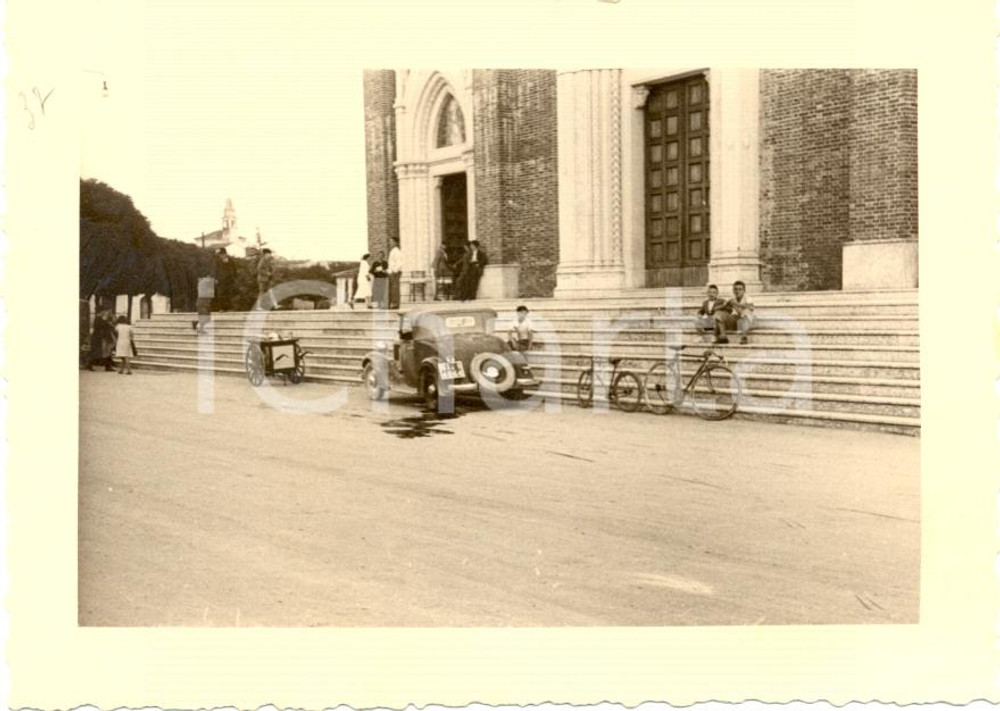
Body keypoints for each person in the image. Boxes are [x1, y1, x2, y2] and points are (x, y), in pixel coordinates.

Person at [714, 280, 757, 345]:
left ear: (744, 291)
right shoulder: (732, 298)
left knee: (745, 313)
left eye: (740, 289)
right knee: (718, 314)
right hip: (735, 322)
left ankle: (744, 337)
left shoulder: (748, 298)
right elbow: (717, 309)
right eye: (736, 289)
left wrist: (736, 304)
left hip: (746, 322)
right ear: (733, 290)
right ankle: (723, 336)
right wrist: (725, 305)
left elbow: (752, 308)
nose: (738, 291)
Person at [214, 248, 235, 312]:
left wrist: (233, 278)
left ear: (225, 254)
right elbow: (216, 270)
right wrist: (216, 278)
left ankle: (229, 308)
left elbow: (234, 270)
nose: (221, 256)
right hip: (220, 280)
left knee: (228, 294)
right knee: (220, 294)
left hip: (228, 280)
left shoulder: (230, 261)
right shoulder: (218, 261)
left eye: (222, 254)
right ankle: (222, 308)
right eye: (220, 255)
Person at [387, 238, 403, 309]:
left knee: (395, 288)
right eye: (390, 242)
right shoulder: (392, 251)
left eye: (392, 242)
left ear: (396, 242)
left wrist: (395, 271)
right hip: (391, 272)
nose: (390, 243)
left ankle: (395, 304)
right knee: (392, 289)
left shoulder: (397, 252)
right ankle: (392, 303)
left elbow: (400, 263)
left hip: (395, 272)